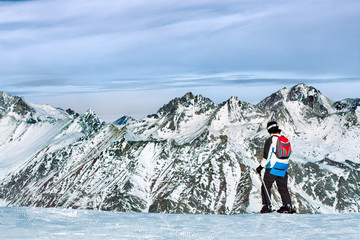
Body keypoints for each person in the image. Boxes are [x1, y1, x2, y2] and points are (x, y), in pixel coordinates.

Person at [256, 121, 295, 213]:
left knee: (266, 185)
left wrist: (260, 167)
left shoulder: (271, 140)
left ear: (269, 130)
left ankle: (267, 206)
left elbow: (266, 156)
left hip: (272, 167)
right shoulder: (285, 139)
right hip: (283, 166)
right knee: (283, 187)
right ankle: (287, 206)